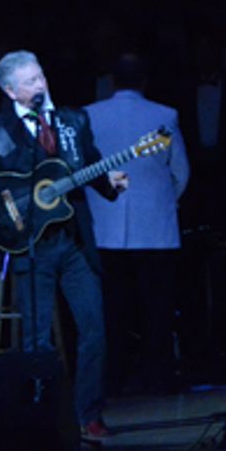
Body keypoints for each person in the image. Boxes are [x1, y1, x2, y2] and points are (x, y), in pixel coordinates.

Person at [0, 50, 128, 439]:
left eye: (41, 77)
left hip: (72, 242)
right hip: (28, 244)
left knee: (94, 328)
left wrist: (110, 184)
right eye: (30, 82)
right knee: (36, 340)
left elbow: (90, 163)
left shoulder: (72, 121)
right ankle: (44, 416)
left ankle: (88, 413)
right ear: (10, 90)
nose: (40, 85)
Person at [84, 53, 190, 395]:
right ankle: (157, 378)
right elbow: (181, 173)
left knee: (113, 311)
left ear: (112, 80)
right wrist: (162, 201)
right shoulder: (164, 115)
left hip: (105, 227)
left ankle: (113, 377)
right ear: (145, 80)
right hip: (155, 229)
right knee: (156, 311)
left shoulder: (89, 114)